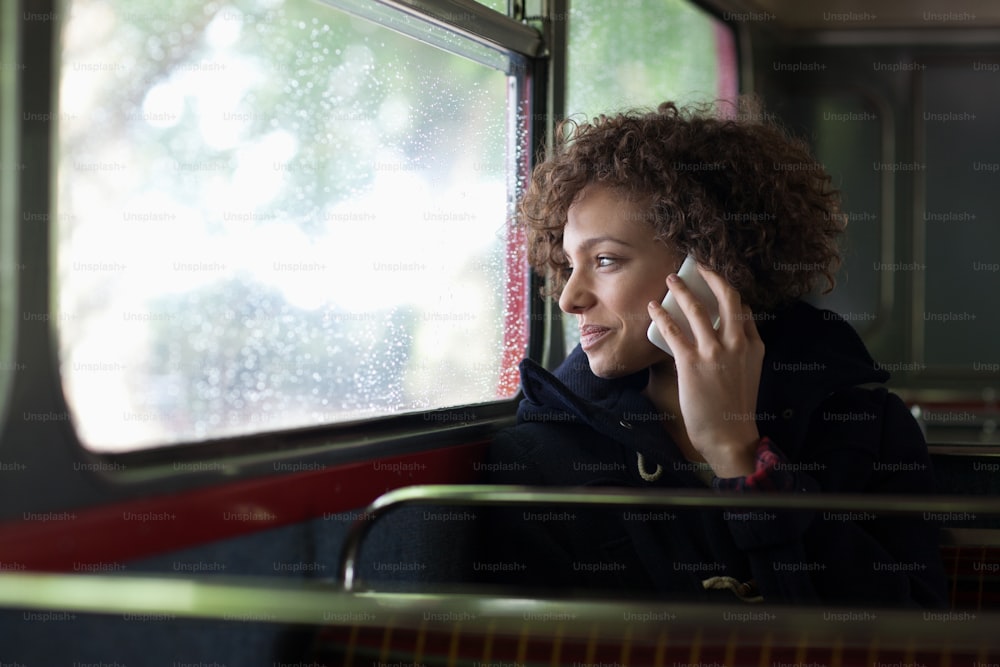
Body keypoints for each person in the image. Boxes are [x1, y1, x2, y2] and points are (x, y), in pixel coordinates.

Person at [478, 98, 947, 607]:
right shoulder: (537, 459)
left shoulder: (865, 426)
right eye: (569, 265)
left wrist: (739, 456)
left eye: (606, 260)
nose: (570, 297)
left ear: (709, 266)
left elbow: (909, 638)